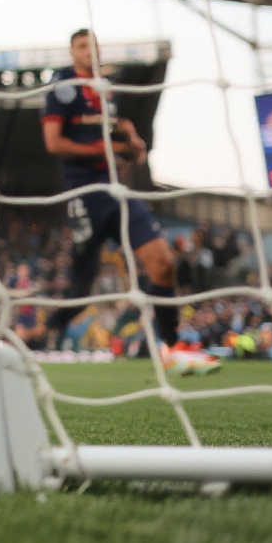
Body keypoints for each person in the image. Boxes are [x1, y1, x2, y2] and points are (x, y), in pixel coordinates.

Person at [40, 29, 218, 374]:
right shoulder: (62, 86)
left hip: (116, 191)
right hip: (84, 195)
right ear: (72, 52)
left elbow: (117, 126)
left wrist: (131, 139)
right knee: (80, 290)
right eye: (81, 46)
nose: (88, 51)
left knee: (163, 263)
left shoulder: (106, 89)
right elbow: (53, 143)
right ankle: (41, 334)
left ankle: (171, 346)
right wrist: (104, 149)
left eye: (93, 45)